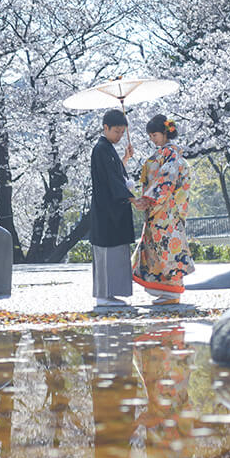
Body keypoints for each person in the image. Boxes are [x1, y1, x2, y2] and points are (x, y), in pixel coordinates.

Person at [131, 114, 194, 305]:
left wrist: (148, 199)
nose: (152, 139)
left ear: (165, 133)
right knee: (160, 248)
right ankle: (166, 291)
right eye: (150, 136)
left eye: (155, 135)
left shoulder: (171, 156)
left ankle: (172, 292)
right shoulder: (168, 154)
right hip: (163, 210)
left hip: (165, 211)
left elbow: (166, 180)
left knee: (167, 248)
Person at [90, 108, 136, 308]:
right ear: (105, 128)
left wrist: (124, 159)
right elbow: (112, 181)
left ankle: (109, 294)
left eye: (121, 131)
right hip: (107, 210)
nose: (119, 135)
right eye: (116, 131)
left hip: (110, 209)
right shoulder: (101, 149)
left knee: (114, 252)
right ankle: (104, 295)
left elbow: (115, 175)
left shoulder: (107, 149)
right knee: (107, 252)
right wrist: (132, 199)